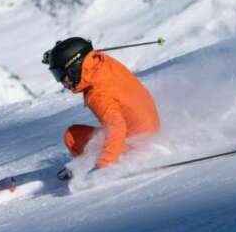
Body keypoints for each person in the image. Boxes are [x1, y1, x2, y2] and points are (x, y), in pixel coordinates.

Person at [44, 37, 160, 180]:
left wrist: (103, 167)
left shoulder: (97, 93)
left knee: (72, 136)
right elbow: (78, 52)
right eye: (57, 75)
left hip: (134, 148)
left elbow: (117, 128)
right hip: (150, 134)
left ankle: (84, 166)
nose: (62, 82)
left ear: (75, 67)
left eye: (62, 75)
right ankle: (93, 160)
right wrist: (55, 56)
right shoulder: (100, 62)